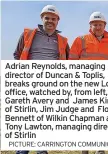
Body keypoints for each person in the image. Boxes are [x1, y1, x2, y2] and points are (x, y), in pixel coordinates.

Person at [13, 4, 69, 154]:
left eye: (53, 19)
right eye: (47, 18)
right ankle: (22, 150)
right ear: (41, 18)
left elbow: (67, 61)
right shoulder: (28, 34)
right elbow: (17, 54)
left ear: (58, 21)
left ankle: (41, 150)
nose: (50, 21)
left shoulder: (62, 40)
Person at [69, 11, 108, 154]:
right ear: (90, 25)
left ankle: (100, 148)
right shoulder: (80, 40)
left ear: (105, 25)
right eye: (95, 24)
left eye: (100, 24)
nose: (97, 27)